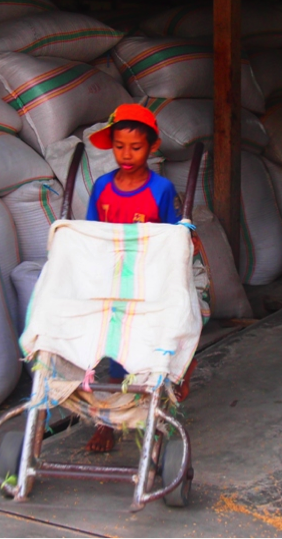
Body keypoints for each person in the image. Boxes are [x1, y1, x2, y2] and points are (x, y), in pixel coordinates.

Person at [84, 103, 196, 452]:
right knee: (116, 352)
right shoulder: (102, 187)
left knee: (149, 348)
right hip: (114, 282)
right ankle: (110, 423)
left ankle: (154, 414)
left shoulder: (161, 189)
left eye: (135, 147)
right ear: (111, 145)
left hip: (150, 282)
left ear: (150, 148)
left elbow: (169, 239)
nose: (126, 154)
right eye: (119, 146)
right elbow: (91, 233)